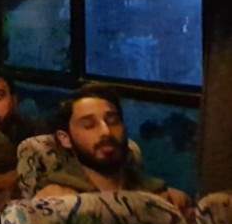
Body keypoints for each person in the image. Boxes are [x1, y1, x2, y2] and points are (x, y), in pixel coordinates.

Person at [34, 84, 190, 211]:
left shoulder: (160, 198)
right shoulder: (54, 203)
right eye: (89, 125)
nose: (106, 132)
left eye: (113, 121)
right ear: (65, 139)